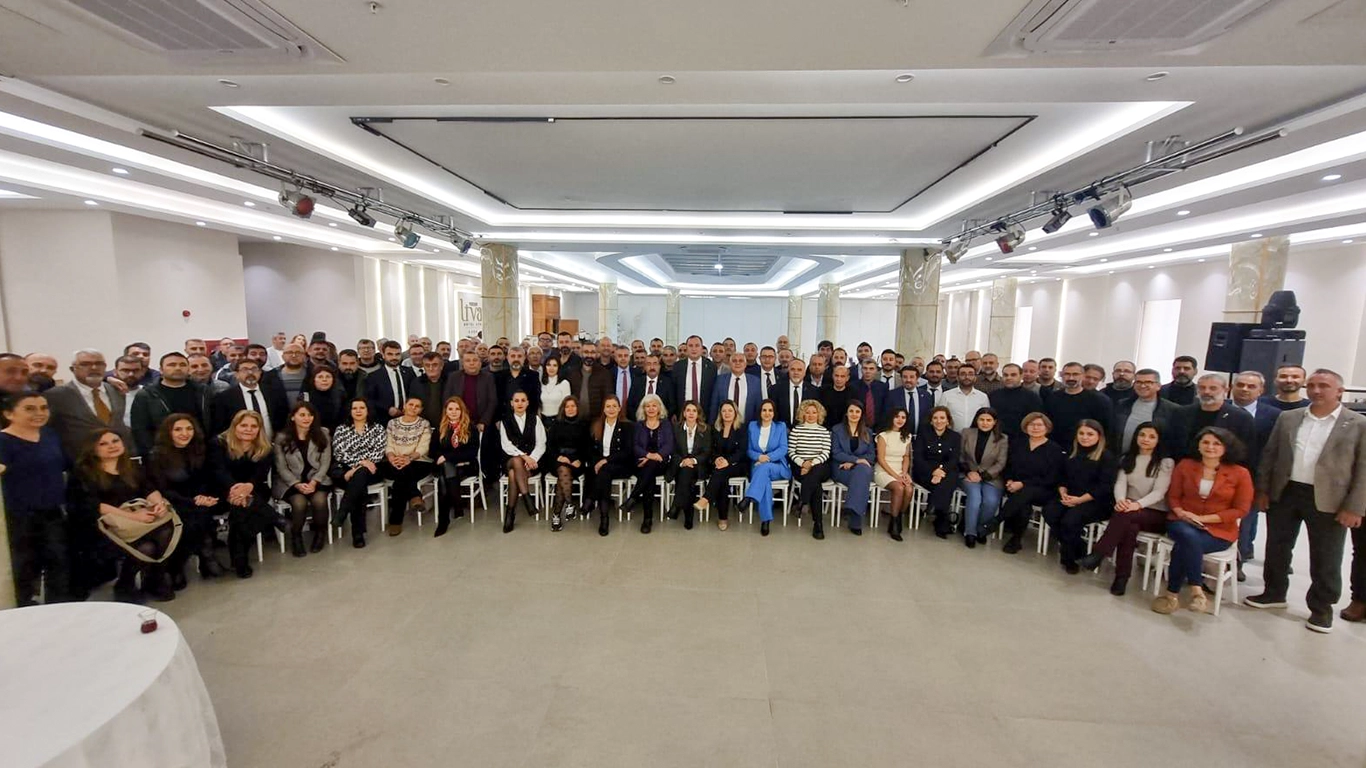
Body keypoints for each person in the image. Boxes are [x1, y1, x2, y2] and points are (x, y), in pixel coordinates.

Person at [1247, 369, 1366, 633]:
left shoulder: (1357, 423)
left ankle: (1321, 609)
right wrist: (1263, 490)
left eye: (1323, 385)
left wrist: (1354, 506)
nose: (1316, 390)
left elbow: (1363, 469)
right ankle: (1274, 592)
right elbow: (1270, 455)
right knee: (1277, 546)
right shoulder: (1289, 417)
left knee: (1326, 555)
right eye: (1311, 385)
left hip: (1329, 498)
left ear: (1339, 391)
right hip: (1286, 491)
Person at [69, 429, 178, 602]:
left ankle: (155, 579)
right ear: (92, 448)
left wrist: (159, 504)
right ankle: (125, 584)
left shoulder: (132, 467)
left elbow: (148, 489)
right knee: (146, 547)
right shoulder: (83, 473)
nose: (112, 446)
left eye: (115, 441)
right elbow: (94, 506)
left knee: (166, 530)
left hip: (137, 519)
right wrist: (134, 517)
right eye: (103, 444)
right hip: (104, 526)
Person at [1152, 427, 1252, 615]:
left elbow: (1241, 509)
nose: (1210, 447)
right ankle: (1197, 591)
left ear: (1226, 447)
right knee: (1187, 535)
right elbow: (1173, 497)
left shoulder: (1240, 473)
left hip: (1219, 530)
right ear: (1198, 445)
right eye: (1205, 442)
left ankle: (1171, 595)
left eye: (1216, 443)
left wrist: (1202, 519)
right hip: (1181, 522)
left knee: (1185, 544)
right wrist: (1182, 513)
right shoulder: (1185, 465)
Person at [1078, 422, 1173, 596]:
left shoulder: (1165, 463)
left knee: (1125, 517)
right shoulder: (1126, 459)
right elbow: (1120, 484)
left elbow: (1159, 492)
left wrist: (1137, 505)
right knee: (1129, 528)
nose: (1146, 439)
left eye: (1152, 437)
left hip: (1155, 513)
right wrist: (1121, 501)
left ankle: (1099, 554)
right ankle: (1121, 579)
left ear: (1159, 440)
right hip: (1128, 510)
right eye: (1142, 435)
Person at [0, 393, 71, 605]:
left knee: (58, 562)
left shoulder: (49, 435)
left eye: (43, 407)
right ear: (9, 414)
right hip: (18, 515)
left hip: (52, 511)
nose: (39, 413)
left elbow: (63, 465)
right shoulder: (3, 441)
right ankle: (24, 611)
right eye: (29, 408)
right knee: (24, 567)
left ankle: (57, 609)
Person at [146, 414, 226, 588]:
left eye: (189, 428)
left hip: (199, 500)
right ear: (168, 432)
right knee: (191, 519)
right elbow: (162, 489)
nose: (185, 433)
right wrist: (193, 501)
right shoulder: (156, 455)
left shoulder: (199, 449)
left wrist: (204, 497)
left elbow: (207, 479)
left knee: (202, 513)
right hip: (171, 501)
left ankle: (203, 557)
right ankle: (188, 561)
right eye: (178, 429)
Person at [1041, 419, 1118, 573]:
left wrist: (1080, 500)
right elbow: (1061, 477)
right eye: (1081, 433)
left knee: (1070, 520)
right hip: (1070, 496)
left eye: (1090, 434)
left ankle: (1068, 559)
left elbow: (1104, 487)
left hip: (1096, 501)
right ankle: (1079, 546)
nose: (1085, 437)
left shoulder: (1107, 457)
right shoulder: (1071, 452)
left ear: (1099, 436)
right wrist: (1063, 493)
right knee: (1049, 511)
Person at [44, 349, 133, 460]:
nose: (94, 368)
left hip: (118, 460)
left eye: (99, 364)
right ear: (72, 369)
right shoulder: (56, 395)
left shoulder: (117, 390)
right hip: (79, 460)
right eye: (85, 364)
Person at [1231, 370, 1279, 572]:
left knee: (1245, 524)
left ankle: (1236, 565)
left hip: (1252, 478)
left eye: (1251, 386)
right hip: (1219, 475)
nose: (1244, 389)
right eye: (1240, 385)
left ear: (1261, 390)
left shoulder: (1274, 416)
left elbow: (1273, 451)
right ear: (1232, 387)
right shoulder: (1220, 408)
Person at [998, 412, 1067, 554]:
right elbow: (1008, 466)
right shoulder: (1017, 444)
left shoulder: (1054, 449)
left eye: (1039, 425)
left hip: (1043, 490)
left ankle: (996, 522)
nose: (1035, 428)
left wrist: (1022, 484)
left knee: (1026, 492)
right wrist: (1009, 480)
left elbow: (1051, 478)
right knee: (1024, 505)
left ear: (1047, 427)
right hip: (1016, 488)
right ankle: (1016, 539)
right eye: (1032, 424)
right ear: (1026, 427)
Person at [271, 401, 332, 557]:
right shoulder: (281, 437)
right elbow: (281, 467)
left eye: (310, 415)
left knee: (319, 500)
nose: (307, 418)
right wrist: (296, 484)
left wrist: (314, 481)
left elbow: (325, 462)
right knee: (299, 503)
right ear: (293, 417)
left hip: (316, 479)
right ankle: (296, 537)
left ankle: (320, 534)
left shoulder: (323, 433)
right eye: (302, 415)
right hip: (290, 482)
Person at [330, 398, 387, 548]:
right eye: (354, 408)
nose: (358, 411)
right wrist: (360, 464)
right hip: (347, 470)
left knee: (359, 477)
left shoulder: (378, 429)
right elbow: (339, 453)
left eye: (362, 407)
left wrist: (360, 466)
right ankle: (358, 532)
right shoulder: (341, 429)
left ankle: (343, 513)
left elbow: (378, 452)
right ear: (350, 411)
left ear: (368, 410)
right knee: (358, 484)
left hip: (372, 470)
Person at [130, 352, 207, 457]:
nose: (178, 368)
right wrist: (152, 452)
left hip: (199, 452)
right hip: (162, 454)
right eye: (172, 365)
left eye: (182, 365)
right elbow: (140, 428)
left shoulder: (202, 391)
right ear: (161, 370)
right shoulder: (147, 395)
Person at [1169, 374, 1256, 463]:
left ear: (1226, 390)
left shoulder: (1241, 418)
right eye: (1202, 388)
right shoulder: (1181, 413)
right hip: (1187, 466)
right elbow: (1172, 443)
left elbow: (1247, 451)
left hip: (1225, 467)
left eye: (1213, 388)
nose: (1206, 392)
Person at [622, 394, 674, 532]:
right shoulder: (638, 426)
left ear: (659, 408)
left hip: (660, 462)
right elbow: (635, 446)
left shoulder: (666, 424)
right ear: (643, 409)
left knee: (649, 469)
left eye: (654, 405)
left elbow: (669, 445)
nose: (651, 409)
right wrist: (648, 455)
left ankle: (636, 502)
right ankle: (646, 518)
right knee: (648, 476)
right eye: (648, 406)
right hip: (641, 462)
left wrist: (656, 456)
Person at [381, 396, 432, 536]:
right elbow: (388, 444)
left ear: (421, 410)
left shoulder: (424, 424)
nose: (413, 408)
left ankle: (395, 521)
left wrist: (409, 458)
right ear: (404, 406)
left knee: (401, 477)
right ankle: (415, 495)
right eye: (411, 404)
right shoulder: (392, 423)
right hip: (394, 461)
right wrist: (392, 457)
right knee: (402, 474)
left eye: (417, 406)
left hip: (418, 462)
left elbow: (423, 447)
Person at [738, 400, 790, 537]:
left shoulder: (780, 426)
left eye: (770, 410)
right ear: (760, 412)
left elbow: (783, 448)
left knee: (764, 469)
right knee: (764, 480)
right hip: (757, 465)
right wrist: (758, 457)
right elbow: (748, 449)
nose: (767, 413)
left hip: (778, 466)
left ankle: (748, 497)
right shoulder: (752, 426)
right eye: (764, 410)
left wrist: (767, 458)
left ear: (774, 413)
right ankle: (765, 520)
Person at [496, 390, 546, 533]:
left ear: (528, 403)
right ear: (511, 403)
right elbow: (506, 445)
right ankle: (526, 497)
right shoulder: (505, 421)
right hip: (510, 459)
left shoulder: (535, 419)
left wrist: (532, 459)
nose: (520, 403)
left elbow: (541, 443)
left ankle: (510, 513)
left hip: (532, 462)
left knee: (513, 475)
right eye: (516, 400)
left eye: (523, 400)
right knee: (516, 461)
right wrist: (525, 457)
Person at [431, 396, 479, 537]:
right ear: (445, 411)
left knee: (444, 480)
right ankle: (457, 504)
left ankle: (444, 521)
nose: (453, 412)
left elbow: (472, 452)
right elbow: (433, 451)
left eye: (457, 409)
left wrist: (448, 457)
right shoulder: (440, 428)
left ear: (462, 411)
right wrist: (447, 459)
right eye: (450, 409)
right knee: (446, 471)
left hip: (466, 466)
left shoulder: (471, 428)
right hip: (445, 467)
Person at [960, 407, 1007, 548]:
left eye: (988, 420)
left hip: (991, 477)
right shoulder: (966, 433)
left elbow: (1001, 463)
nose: (985, 423)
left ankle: (981, 530)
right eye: (981, 419)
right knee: (975, 498)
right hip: (968, 475)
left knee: (991, 501)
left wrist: (982, 476)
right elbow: (960, 456)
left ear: (994, 422)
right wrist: (969, 472)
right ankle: (970, 533)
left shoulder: (1002, 439)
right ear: (976, 420)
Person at [586, 395, 633, 536]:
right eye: (608, 406)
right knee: (604, 474)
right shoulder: (597, 425)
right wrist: (598, 462)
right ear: (603, 409)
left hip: (621, 465)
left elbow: (627, 452)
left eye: (614, 406)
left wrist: (605, 461)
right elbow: (591, 449)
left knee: (604, 471)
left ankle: (591, 499)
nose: (611, 409)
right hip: (602, 467)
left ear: (619, 408)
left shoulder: (627, 426)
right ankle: (604, 518)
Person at [914, 405, 963, 539]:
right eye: (935, 418)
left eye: (942, 418)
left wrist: (941, 471)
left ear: (948, 420)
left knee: (948, 479)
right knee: (944, 485)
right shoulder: (923, 434)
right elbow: (918, 457)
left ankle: (935, 509)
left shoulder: (955, 437)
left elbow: (954, 459)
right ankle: (942, 517)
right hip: (925, 472)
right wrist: (933, 471)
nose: (939, 421)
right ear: (931, 421)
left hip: (947, 471)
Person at [210, 358, 288, 440]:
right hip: (239, 444)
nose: (250, 373)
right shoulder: (224, 398)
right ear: (236, 374)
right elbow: (221, 426)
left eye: (254, 369)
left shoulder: (274, 393)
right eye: (245, 370)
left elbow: (282, 418)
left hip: (271, 443)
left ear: (260, 373)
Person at [788, 399, 831, 540]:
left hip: (819, 466)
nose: (811, 415)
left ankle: (803, 500)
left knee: (815, 473)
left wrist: (811, 464)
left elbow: (825, 453)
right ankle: (818, 524)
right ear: (803, 414)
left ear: (819, 414)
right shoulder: (796, 430)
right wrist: (803, 463)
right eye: (808, 412)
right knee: (816, 485)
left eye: (814, 412)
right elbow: (791, 452)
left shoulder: (824, 431)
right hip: (800, 467)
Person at [1044, 362, 1114, 448]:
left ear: (1083, 376)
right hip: (1056, 447)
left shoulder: (1098, 401)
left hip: (1085, 448)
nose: (1071, 378)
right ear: (1061, 375)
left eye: (1075, 374)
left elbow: (1106, 429)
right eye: (1067, 374)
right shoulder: (1052, 397)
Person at [545, 396, 589, 531]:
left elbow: (587, 447)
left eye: (573, 406)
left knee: (562, 478)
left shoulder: (584, 425)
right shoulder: (556, 424)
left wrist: (580, 459)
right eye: (567, 406)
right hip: (558, 460)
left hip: (576, 461)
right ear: (563, 409)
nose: (570, 409)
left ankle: (557, 515)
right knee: (563, 470)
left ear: (577, 408)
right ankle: (569, 504)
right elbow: (549, 446)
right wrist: (559, 457)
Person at [831, 401, 875, 535]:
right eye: (851, 411)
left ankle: (851, 509)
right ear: (846, 413)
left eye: (857, 411)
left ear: (861, 414)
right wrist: (856, 460)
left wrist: (855, 463)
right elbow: (836, 452)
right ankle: (854, 519)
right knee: (862, 476)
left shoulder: (867, 432)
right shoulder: (837, 430)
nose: (854, 414)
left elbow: (871, 455)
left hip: (860, 469)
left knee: (862, 472)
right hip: (841, 469)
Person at [667, 400, 711, 529]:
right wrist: (683, 462)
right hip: (680, 464)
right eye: (688, 410)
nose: (691, 413)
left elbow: (707, 452)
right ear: (684, 413)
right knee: (687, 478)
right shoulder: (676, 428)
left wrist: (693, 460)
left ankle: (676, 506)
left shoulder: (706, 429)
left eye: (694, 411)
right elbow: (672, 450)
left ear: (698, 414)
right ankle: (688, 516)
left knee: (685, 475)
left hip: (698, 465)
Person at [874, 407, 915, 542]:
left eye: (903, 417)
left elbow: (906, 457)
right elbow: (881, 459)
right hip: (883, 470)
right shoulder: (883, 436)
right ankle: (894, 523)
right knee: (899, 487)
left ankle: (897, 518)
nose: (900, 420)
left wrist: (904, 473)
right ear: (891, 418)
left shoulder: (907, 436)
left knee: (909, 489)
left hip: (900, 471)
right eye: (897, 416)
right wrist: (896, 477)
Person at [1111, 368, 1179, 449]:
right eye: (1138, 382)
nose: (1142, 386)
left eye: (1148, 382)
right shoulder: (1122, 404)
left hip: (1154, 456)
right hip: (1121, 455)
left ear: (1158, 386)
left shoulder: (1172, 409)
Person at [364, 340, 418, 426]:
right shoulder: (374, 376)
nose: (394, 357)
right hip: (384, 420)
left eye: (397, 354)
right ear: (383, 355)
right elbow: (370, 400)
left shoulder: (409, 372)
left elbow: (415, 393)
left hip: (408, 418)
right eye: (390, 354)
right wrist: (387, 409)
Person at [937, 363, 990, 435]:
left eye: (970, 374)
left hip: (975, 437)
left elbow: (986, 418)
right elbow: (939, 416)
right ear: (957, 377)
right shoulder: (946, 395)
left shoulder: (983, 397)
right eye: (963, 374)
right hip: (951, 436)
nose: (967, 377)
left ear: (975, 378)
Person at [673, 335, 717, 422]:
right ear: (686, 348)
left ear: (701, 348)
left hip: (704, 414)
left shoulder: (711, 367)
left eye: (697, 346)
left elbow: (713, 392)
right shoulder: (678, 366)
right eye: (690, 346)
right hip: (683, 414)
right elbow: (674, 391)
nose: (694, 349)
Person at [711, 352, 760, 424]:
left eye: (741, 361)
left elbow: (758, 406)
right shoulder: (720, 380)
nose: (737, 363)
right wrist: (712, 425)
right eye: (734, 361)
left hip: (747, 425)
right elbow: (714, 405)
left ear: (745, 364)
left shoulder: (755, 381)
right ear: (730, 364)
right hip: (724, 426)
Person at [884, 365, 934, 434]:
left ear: (917, 378)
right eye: (905, 377)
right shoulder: (892, 395)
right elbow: (887, 417)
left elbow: (929, 418)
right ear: (901, 378)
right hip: (899, 436)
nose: (908, 380)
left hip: (921, 436)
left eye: (912, 377)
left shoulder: (926, 396)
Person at [773, 359, 820, 427]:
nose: (796, 372)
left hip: (805, 430)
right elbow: (774, 413)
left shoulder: (814, 391)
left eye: (799, 370)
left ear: (804, 373)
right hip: (782, 430)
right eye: (793, 369)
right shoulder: (776, 389)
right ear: (788, 371)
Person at [301, 364, 347, 432]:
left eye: (328, 377)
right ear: (314, 380)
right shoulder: (306, 398)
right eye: (320, 377)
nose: (324, 380)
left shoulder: (340, 396)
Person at [628, 353, 675, 418]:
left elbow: (672, 406)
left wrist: (660, 420)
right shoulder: (637, 382)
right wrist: (639, 419)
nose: (652, 367)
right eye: (648, 364)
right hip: (640, 420)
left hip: (661, 421)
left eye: (655, 364)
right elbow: (630, 404)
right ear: (644, 367)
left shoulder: (668, 382)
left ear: (659, 366)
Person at [820, 365, 859, 429]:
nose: (839, 379)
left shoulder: (853, 393)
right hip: (825, 428)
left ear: (847, 378)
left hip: (846, 429)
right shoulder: (823, 391)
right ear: (832, 376)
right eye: (836, 376)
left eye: (842, 376)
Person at [540, 356, 571, 421]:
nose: (551, 368)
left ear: (559, 367)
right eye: (548, 365)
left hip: (558, 419)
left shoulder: (564, 383)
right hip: (542, 418)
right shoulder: (541, 383)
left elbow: (566, 404)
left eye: (555, 365)